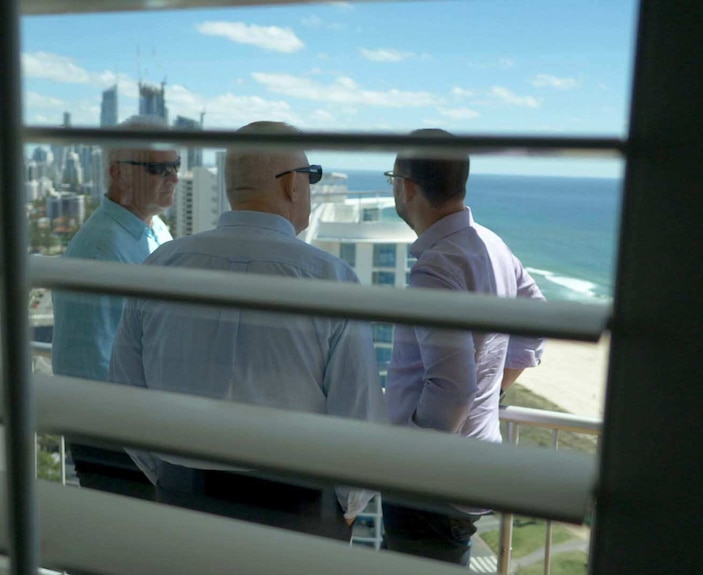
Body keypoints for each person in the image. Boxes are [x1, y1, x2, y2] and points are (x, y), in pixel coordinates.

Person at [108, 121, 386, 541]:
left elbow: (125, 389)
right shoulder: (330, 280)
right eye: (311, 177)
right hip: (298, 510)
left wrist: (168, 475)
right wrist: (344, 510)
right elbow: (360, 411)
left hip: (183, 506)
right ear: (292, 185)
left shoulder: (162, 266)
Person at [382, 129, 546, 565]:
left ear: (407, 187)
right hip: (469, 471)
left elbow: (452, 388)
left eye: (390, 179)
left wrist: (408, 462)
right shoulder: (492, 245)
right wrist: (495, 391)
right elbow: (537, 321)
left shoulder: (436, 268)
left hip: (428, 486)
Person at [51, 115, 178, 499]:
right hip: (117, 441)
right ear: (118, 174)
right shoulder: (100, 250)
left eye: (176, 166)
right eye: (159, 168)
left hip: (149, 431)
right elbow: (90, 365)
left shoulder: (155, 230)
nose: (173, 177)